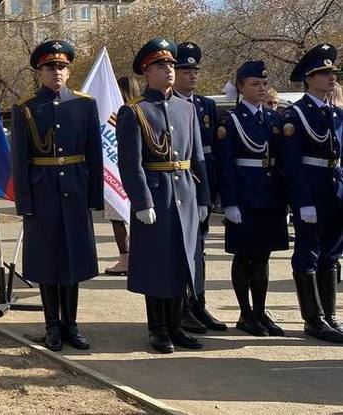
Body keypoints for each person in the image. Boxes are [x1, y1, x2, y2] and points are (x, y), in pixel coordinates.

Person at [116, 37, 211, 354]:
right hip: (156, 198)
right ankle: (158, 329)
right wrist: (142, 201)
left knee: (181, 263)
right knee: (157, 265)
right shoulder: (135, 112)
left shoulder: (187, 109)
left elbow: (197, 159)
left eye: (171, 64)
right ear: (146, 72)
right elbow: (130, 163)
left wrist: (202, 199)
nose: (169, 70)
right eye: (161, 65)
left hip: (184, 191)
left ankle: (176, 325)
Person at [11, 39, 104, 351]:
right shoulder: (26, 108)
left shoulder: (84, 105)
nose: (57, 72)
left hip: (76, 190)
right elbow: (19, 160)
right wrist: (24, 201)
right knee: (48, 260)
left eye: (62, 66)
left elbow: (94, 152)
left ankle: (71, 325)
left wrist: (95, 196)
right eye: (50, 67)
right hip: (43, 192)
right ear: (40, 71)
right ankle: (52, 325)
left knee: (73, 260)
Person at [215, 61, 288, 337]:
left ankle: (260, 311)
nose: (261, 88)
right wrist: (230, 202)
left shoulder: (272, 118)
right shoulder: (231, 121)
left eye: (264, 84)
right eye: (255, 84)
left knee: (263, 257)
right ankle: (245, 313)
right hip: (245, 197)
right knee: (244, 256)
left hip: (270, 196)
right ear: (241, 87)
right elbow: (226, 165)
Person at [282, 43, 343, 343]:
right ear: (308, 78)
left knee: (331, 255)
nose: (330, 77)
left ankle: (329, 315)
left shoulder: (336, 114)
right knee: (308, 253)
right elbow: (292, 165)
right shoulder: (296, 115)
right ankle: (313, 318)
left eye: (332, 72)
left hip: (335, 187)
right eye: (323, 72)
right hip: (312, 187)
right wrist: (302, 201)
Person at [172, 42, 227, 333]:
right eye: (185, 70)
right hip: (180, 182)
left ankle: (198, 304)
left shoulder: (206, 105)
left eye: (195, 70)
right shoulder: (168, 105)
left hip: (201, 185)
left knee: (200, 249)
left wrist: (210, 192)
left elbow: (210, 155)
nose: (192, 75)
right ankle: (181, 307)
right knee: (182, 249)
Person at [104, 75, 140, 276]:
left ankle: (125, 259)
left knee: (118, 218)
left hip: (116, 173)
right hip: (131, 173)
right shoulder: (142, 109)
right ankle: (135, 258)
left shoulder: (121, 112)